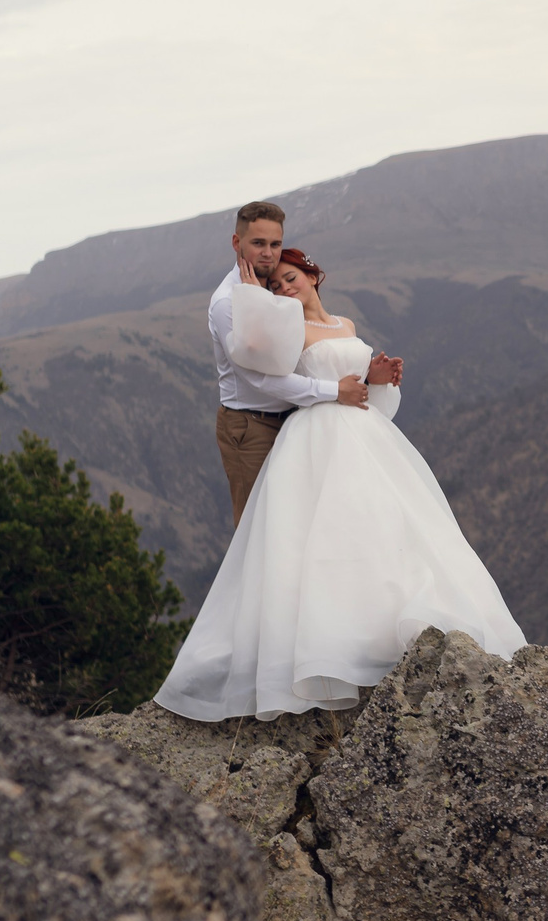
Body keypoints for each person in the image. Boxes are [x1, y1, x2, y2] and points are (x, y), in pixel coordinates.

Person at [156, 245, 528, 721]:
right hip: (315, 436)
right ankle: (327, 648)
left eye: (291, 278)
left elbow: (368, 402)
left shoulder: (346, 325)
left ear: (313, 277)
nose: (284, 288)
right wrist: (256, 305)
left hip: (363, 434)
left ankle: (380, 631)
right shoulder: (285, 331)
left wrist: (377, 380)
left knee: (384, 526)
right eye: (275, 285)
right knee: (324, 536)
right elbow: (276, 385)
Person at [209, 200, 399, 523]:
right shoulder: (228, 304)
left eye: (275, 244)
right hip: (251, 426)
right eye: (258, 243)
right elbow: (262, 378)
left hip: (298, 419)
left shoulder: (273, 292)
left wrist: (367, 380)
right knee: (261, 529)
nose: (268, 253)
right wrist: (336, 392)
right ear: (236, 243)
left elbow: (309, 363)